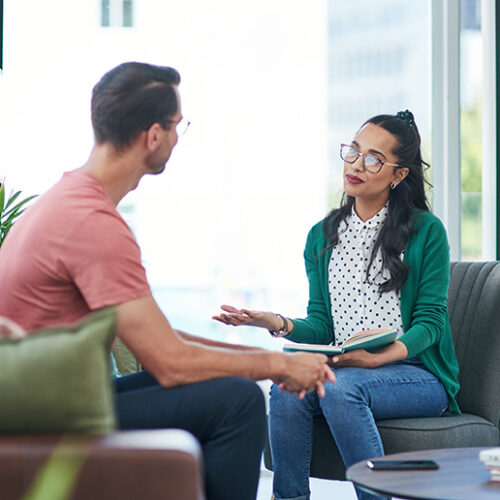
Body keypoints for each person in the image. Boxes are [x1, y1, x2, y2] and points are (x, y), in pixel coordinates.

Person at [0, 62, 336, 500]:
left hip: (50, 398)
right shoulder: (92, 222)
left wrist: (267, 358)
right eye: (179, 126)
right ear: (153, 135)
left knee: (227, 385)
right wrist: (277, 366)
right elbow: (171, 362)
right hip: (45, 415)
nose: (179, 137)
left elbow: (158, 337)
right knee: (238, 401)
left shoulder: (68, 200)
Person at [213, 110, 461, 500]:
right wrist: (275, 322)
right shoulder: (321, 236)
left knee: (340, 389)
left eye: (374, 159)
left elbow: (431, 323)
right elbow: (323, 325)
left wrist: (375, 359)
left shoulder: (426, 231)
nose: (357, 165)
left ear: (398, 175)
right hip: (348, 367)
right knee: (286, 387)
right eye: (353, 152)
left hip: (416, 373)